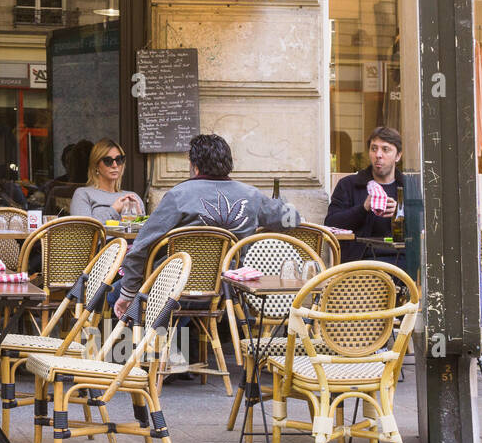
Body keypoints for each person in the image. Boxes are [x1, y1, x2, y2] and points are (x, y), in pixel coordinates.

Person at [113, 133, 299, 319]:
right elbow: (292, 218)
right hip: (225, 290)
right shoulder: (251, 196)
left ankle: (136, 345)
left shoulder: (178, 196)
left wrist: (128, 293)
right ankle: (192, 342)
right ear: (228, 163)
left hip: (171, 288)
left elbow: (140, 247)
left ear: (195, 166)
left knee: (110, 293)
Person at [325, 126, 405, 264]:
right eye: (374, 149)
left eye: (385, 149)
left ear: (398, 156)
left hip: (402, 264)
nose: (378, 155)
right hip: (361, 265)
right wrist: (363, 208)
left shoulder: (408, 187)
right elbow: (331, 223)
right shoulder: (349, 185)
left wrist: (400, 212)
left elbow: (424, 226)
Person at [69, 138, 145, 223]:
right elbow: (83, 230)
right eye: (108, 161)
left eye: (119, 159)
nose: (115, 165)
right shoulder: (83, 194)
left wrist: (140, 217)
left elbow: (145, 234)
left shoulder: (133, 197)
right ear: (96, 165)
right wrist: (114, 210)